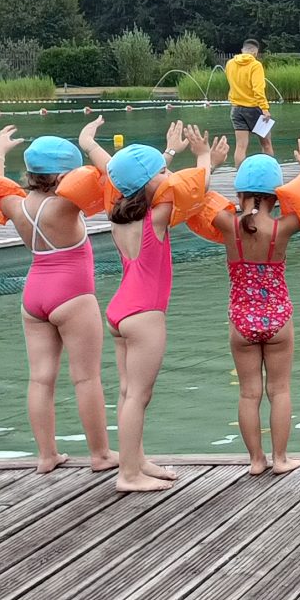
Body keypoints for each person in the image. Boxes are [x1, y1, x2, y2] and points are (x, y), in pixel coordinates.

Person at [0, 120, 126, 485]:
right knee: (86, 378)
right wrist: (88, 141)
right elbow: (114, 175)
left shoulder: (16, 205)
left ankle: (47, 455)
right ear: (65, 175)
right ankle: (100, 454)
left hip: (34, 296)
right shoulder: (65, 205)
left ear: (32, 174)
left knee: (40, 379)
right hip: (73, 294)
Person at [92, 121, 221, 492]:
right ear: (151, 182)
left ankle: (136, 460)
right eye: (163, 173)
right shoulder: (157, 218)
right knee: (139, 395)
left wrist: (167, 154)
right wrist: (202, 156)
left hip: (119, 310)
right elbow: (199, 186)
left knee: (127, 391)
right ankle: (127, 475)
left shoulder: (119, 219)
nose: (168, 177)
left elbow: (146, 180)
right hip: (145, 314)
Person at [213, 137, 300, 475]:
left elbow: (193, 201)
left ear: (240, 194)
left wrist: (210, 161)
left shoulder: (227, 225)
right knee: (279, 390)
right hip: (278, 318)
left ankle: (255, 461)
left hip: (241, 320)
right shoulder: (282, 228)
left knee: (249, 394)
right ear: (276, 196)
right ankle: (280, 459)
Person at [225, 37, 271, 163]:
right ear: (255, 53)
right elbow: (258, 89)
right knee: (266, 144)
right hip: (254, 109)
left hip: (236, 109)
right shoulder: (255, 65)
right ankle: (269, 174)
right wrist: (265, 109)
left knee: (240, 147)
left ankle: (240, 175)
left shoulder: (230, 64)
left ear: (242, 50)